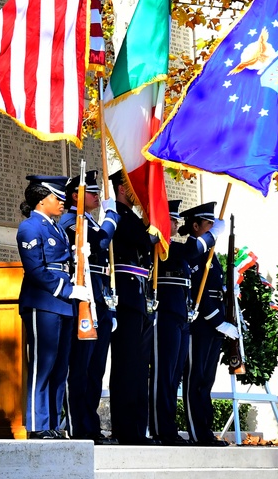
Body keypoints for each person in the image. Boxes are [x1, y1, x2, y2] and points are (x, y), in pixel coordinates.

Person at [17, 174, 93, 439]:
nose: (62, 202)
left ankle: (53, 425)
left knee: (61, 368)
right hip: (43, 303)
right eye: (57, 197)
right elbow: (36, 270)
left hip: (63, 305)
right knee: (43, 366)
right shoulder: (30, 227)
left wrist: (79, 255)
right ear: (41, 200)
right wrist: (68, 290)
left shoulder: (59, 229)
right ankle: (37, 425)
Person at [59, 170, 119, 444]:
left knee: (96, 368)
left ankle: (91, 424)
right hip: (84, 300)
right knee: (80, 367)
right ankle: (77, 425)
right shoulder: (72, 220)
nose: (98, 197)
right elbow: (101, 241)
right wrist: (111, 218)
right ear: (76, 196)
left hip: (101, 299)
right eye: (93, 193)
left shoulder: (89, 220)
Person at [149, 199, 210, 446]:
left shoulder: (175, 246)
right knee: (163, 374)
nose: (175, 224)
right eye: (171, 219)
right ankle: (160, 428)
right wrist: (209, 237)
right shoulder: (164, 248)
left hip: (181, 316)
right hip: (164, 315)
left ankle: (169, 427)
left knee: (174, 377)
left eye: (175, 220)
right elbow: (191, 251)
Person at [107, 170, 160, 445]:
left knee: (140, 368)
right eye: (132, 187)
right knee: (127, 366)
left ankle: (138, 429)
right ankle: (126, 428)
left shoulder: (133, 218)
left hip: (139, 298)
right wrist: (156, 222)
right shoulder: (117, 214)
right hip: (126, 297)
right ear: (121, 189)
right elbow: (145, 239)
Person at [180, 201, 237, 446]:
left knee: (207, 382)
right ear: (195, 226)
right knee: (196, 380)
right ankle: (197, 432)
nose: (214, 229)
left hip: (213, 328)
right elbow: (198, 294)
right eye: (209, 225)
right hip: (201, 326)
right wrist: (218, 321)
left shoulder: (211, 256)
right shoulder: (195, 253)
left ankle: (206, 431)